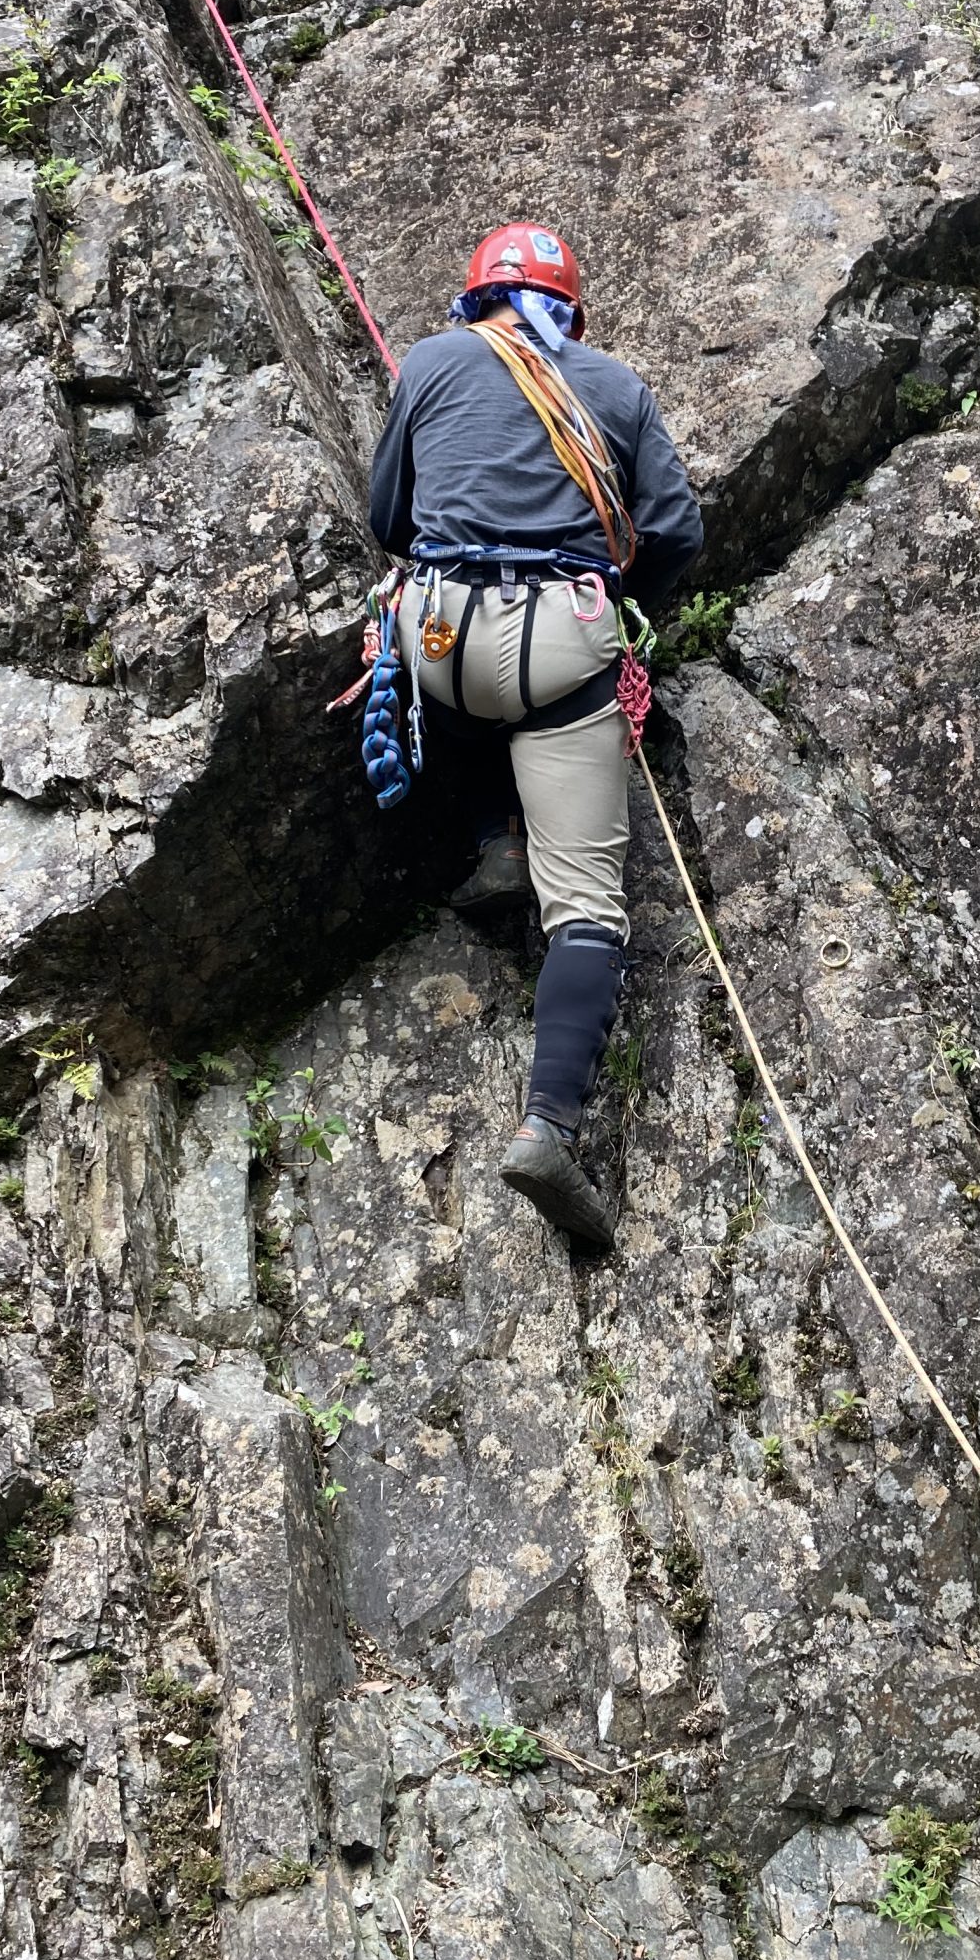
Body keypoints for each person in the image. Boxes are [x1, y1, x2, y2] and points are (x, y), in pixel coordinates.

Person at [368, 222, 702, 1250]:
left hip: (440, 637)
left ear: (477, 301)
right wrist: (619, 606)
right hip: (562, 648)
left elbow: (389, 519)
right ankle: (548, 1127)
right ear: (571, 314)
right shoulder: (616, 388)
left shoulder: (430, 363)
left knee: (458, 695)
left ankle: (494, 838)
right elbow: (676, 531)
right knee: (589, 909)